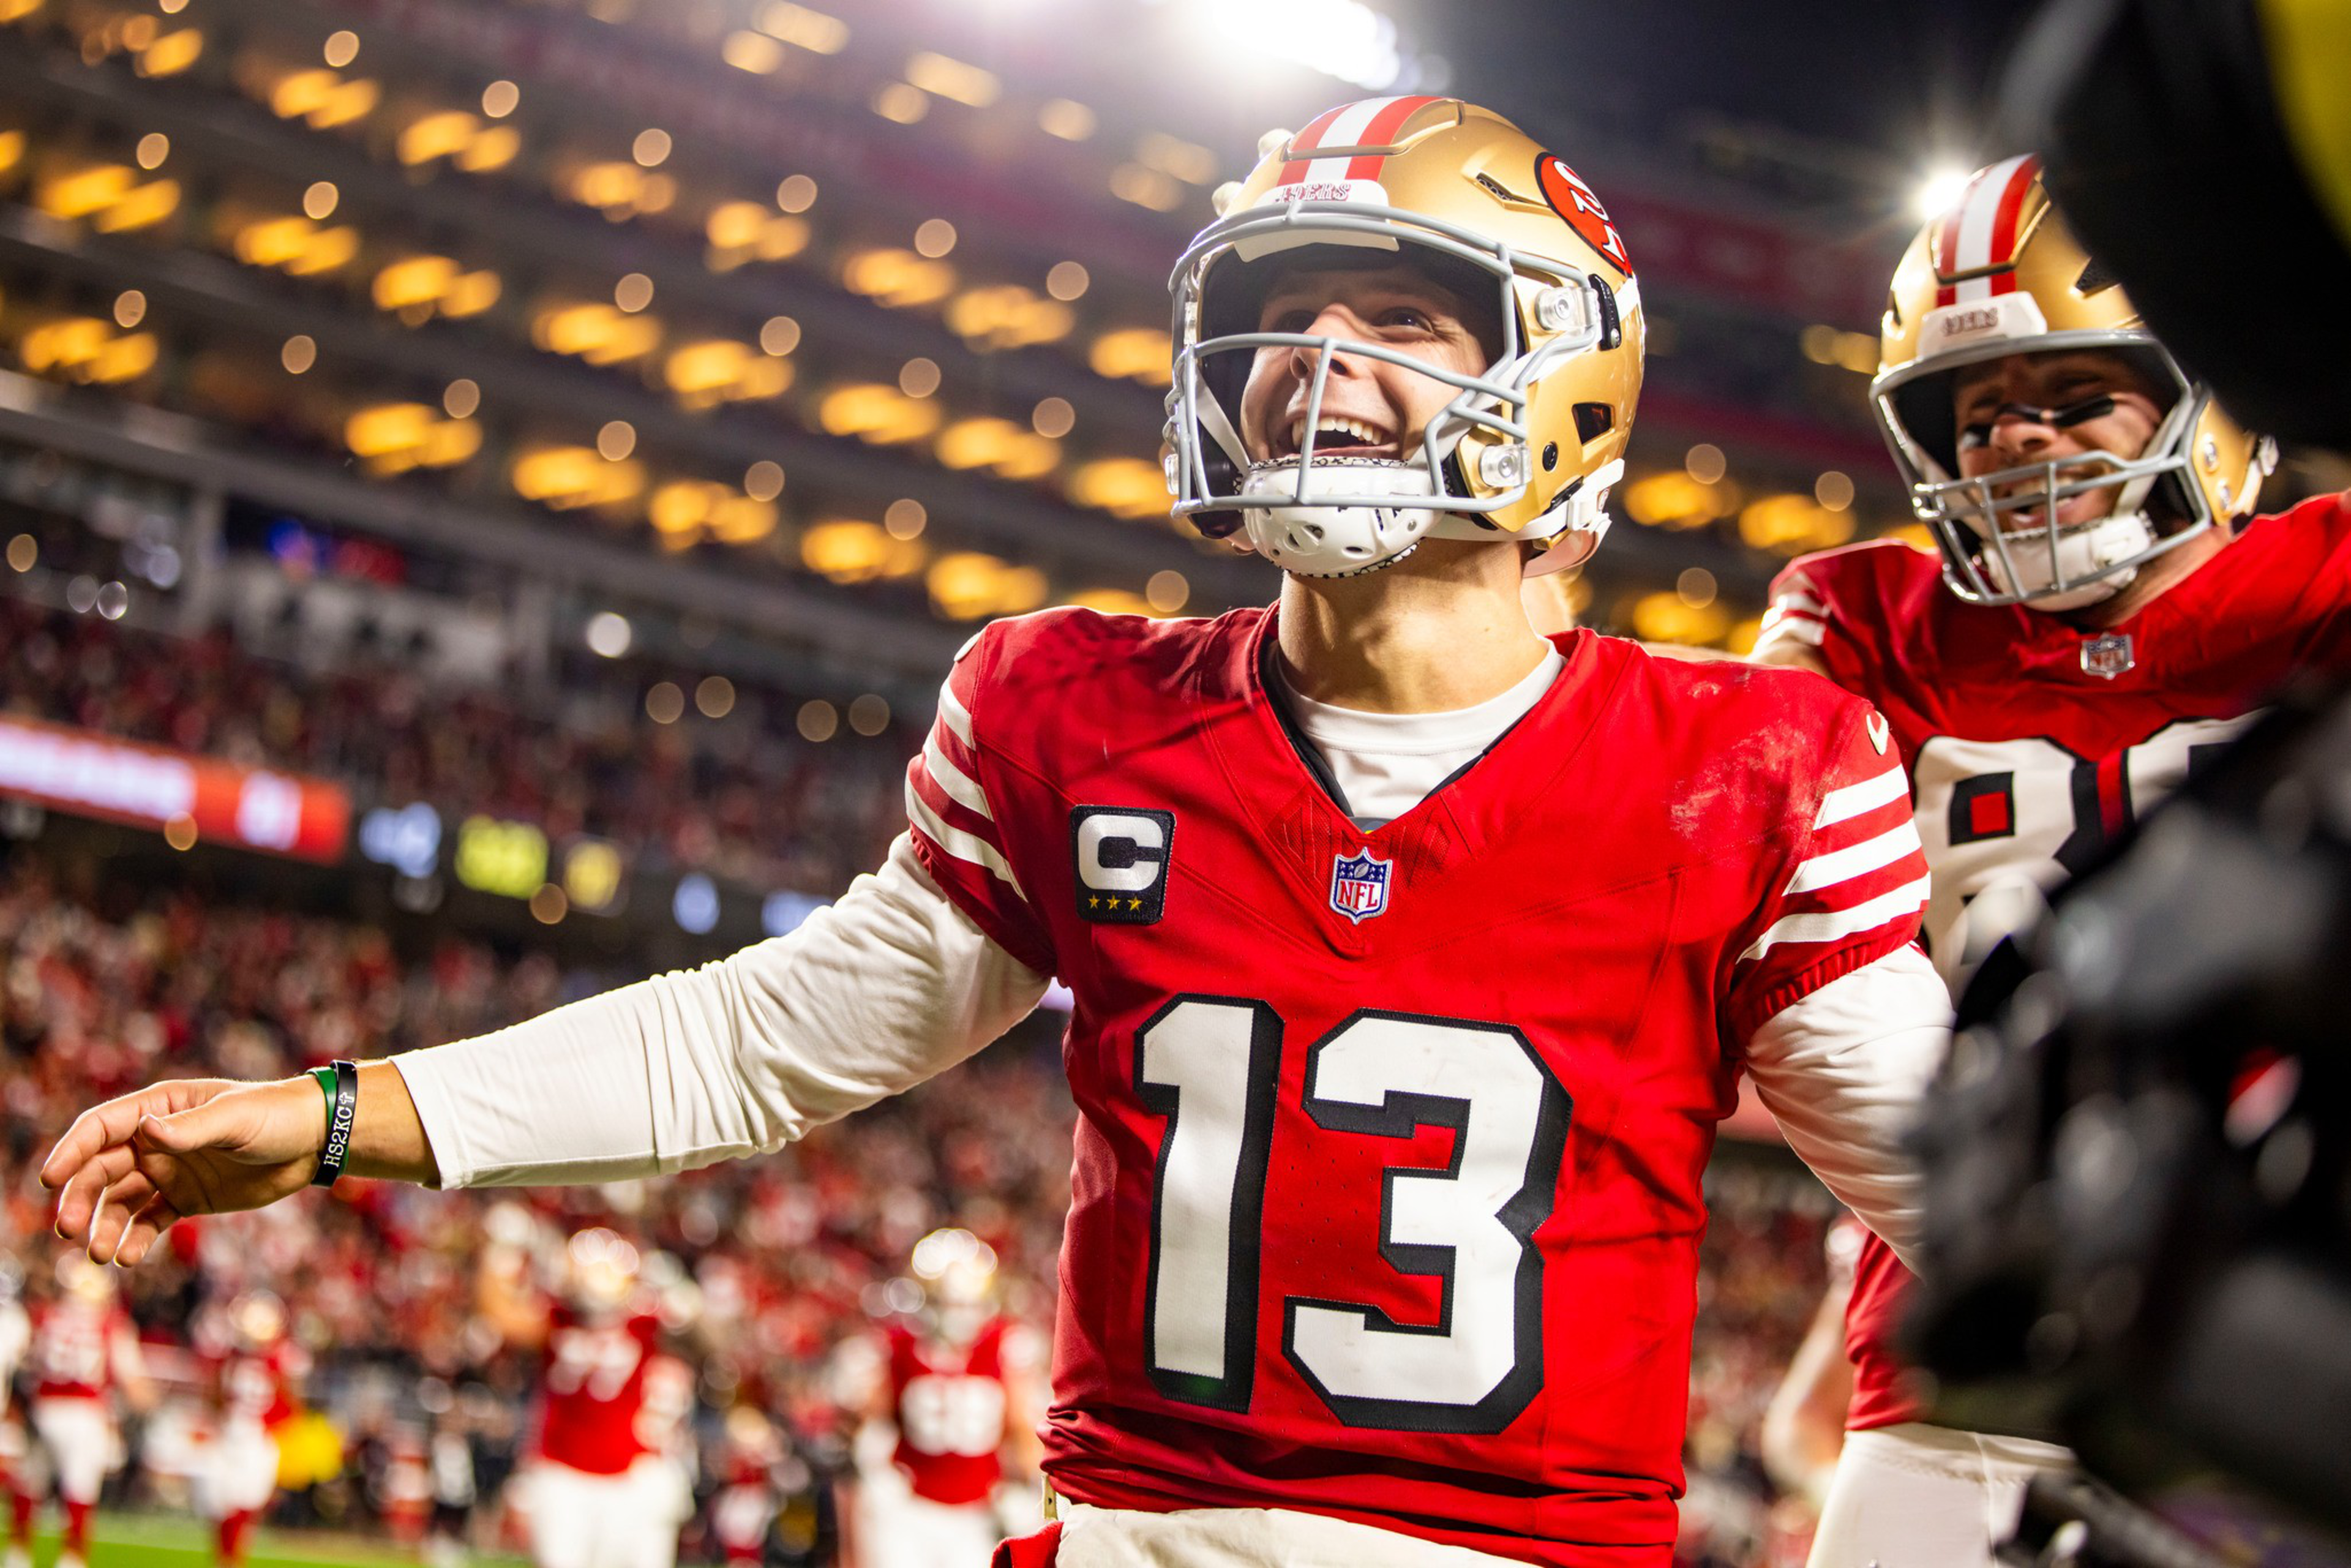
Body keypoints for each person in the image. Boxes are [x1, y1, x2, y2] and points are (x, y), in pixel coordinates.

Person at [43, 97, 1951, 1566]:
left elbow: (1989, 1211)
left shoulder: (1746, 764)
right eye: (1278, 316)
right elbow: (756, 1042)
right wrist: (331, 1116)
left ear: (1562, 374)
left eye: (1396, 314)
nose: (1312, 359)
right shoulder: (1078, 709)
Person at [1750, 155, 2351, 1568]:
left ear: (2210, 395)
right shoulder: (1863, 619)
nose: (2018, 437)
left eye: (2077, 395)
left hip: (2288, 1324)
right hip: (1961, 1341)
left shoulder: (2324, 582)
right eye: (1978, 415)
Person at [836, 1229, 1044, 1568]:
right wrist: (873, 1464)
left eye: (964, 1304)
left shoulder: (1004, 1346)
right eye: (945, 1303)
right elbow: (871, 1418)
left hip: (978, 1512)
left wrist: (1029, 1487)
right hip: (910, 1509)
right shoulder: (899, 1346)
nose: (956, 1314)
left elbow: (1022, 1427)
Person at [8, 1255, 152, 1568]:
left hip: (43, 1410)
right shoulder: (109, 1324)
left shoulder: (47, 1316)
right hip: (84, 1415)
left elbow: (25, 1365)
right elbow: (132, 1381)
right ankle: (71, 1559)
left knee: (29, 1486)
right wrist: (147, 1405)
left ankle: (17, 1554)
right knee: (79, 1491)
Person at [197, 1290, 307, 1568]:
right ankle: (227, 1561)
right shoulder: (233, 1357)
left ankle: (230, 1562)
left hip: (255, 1440)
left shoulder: (279, 1360)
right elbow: (215, 1398)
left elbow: (291, 1408)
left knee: (242, 1505)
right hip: (230, 1437)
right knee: (220, 1503)